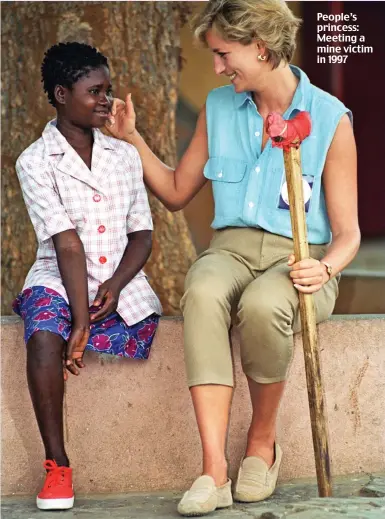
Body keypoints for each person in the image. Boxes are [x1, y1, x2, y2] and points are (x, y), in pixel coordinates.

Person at [106, 0, 360, 515]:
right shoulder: (219, 108)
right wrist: (131, 138)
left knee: (267, 304)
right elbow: (178, 191)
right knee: (201, 288)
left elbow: (350, 234)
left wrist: (326, 266)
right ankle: (213, 470)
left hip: (302, 256)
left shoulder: (331, 119)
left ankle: (261, 447)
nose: (218, 68)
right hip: (231, 249)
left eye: (224, 55)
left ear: (260, 48)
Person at [13, 42, 162, 511]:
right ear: (61, 94)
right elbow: (67, 244)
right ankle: (57, 465)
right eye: (93, 91)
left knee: (124, 318)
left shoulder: (125, 157)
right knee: (42, 334)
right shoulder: (34, 162)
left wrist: (115, 286)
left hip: (118, 277)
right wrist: (79, 322)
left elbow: (142, 236)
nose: (106, 100)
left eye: (108, 90)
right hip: (59, 275)